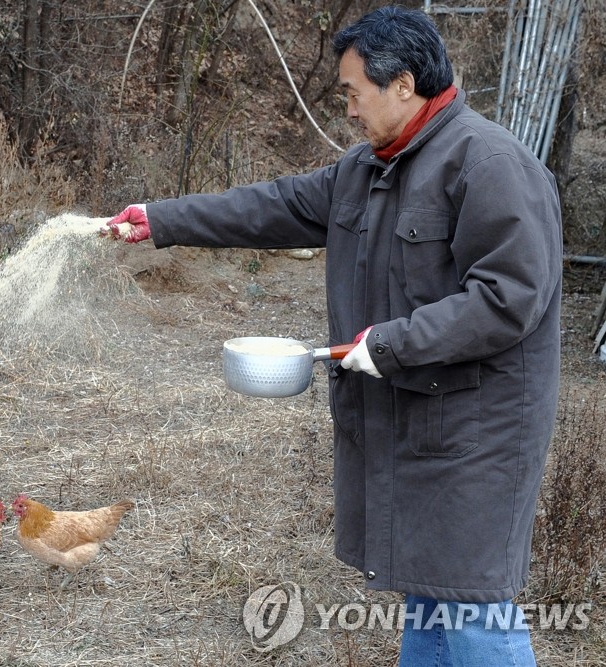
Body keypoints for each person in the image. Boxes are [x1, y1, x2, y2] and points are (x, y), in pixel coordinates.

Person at [101, 6, 562, 666]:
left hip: (476, 436)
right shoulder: (367, 169)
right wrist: (161, 218)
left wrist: (392, 341)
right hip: (415, 424)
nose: (347, 109)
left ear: (403, 84)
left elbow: (507, 299)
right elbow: (275, 207)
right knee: (431, 595)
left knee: (475, 609)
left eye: (353, 92)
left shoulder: (489, 165)